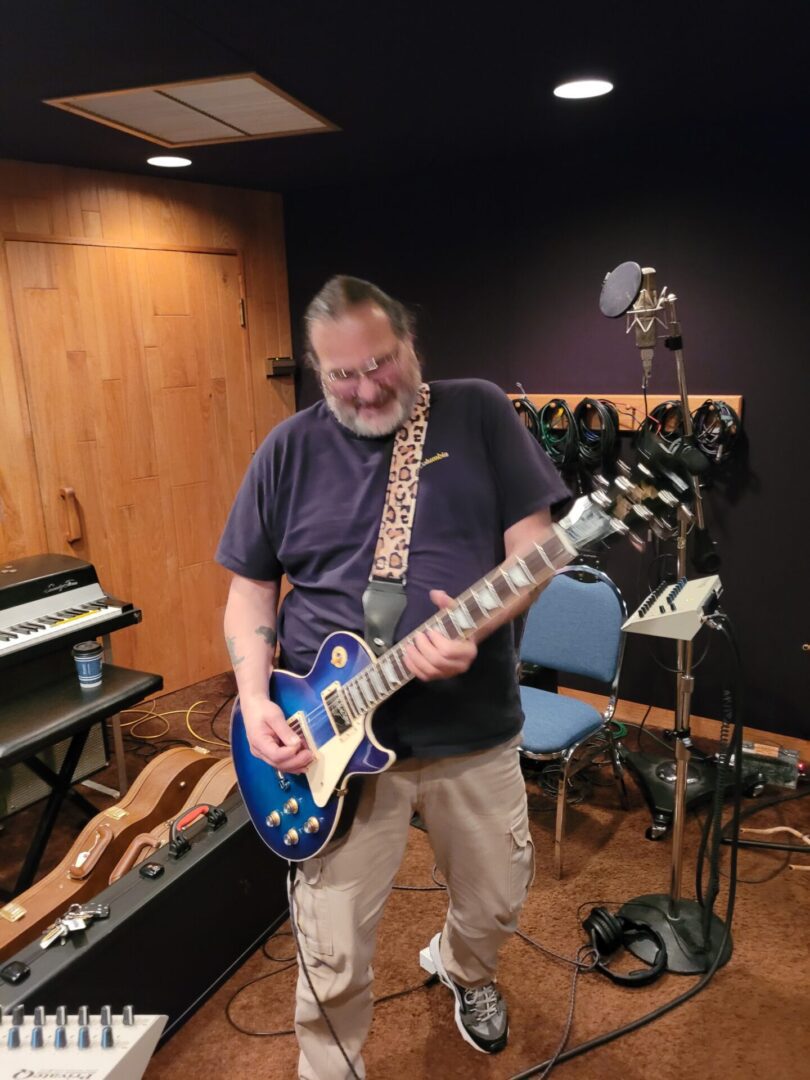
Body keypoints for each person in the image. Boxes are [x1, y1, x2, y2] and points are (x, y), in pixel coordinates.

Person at [216, 276, 569, 1079]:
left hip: (469, 728)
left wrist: (469, 629)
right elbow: (248, 591)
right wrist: (255, 698)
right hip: (325, 734)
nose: (368, 387)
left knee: (497, 903)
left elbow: (537, 548)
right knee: (332, 948)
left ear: (410, 343)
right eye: (344, 375)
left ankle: (461, 967)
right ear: (315, 368)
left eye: (382, 363)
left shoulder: (478, 412)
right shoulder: (288, 451)